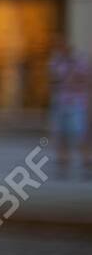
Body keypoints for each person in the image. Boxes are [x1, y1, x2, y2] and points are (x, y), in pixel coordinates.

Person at [48, 39, 90, 178]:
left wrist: (75, 81)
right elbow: (53, 81)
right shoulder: (56, 62)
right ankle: (63, 166)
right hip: (60, 103)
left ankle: (86, 165)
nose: (61, 50)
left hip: (77, 103)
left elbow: (86, 81)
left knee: (81, 135)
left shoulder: (80, 62)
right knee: (61, 135)